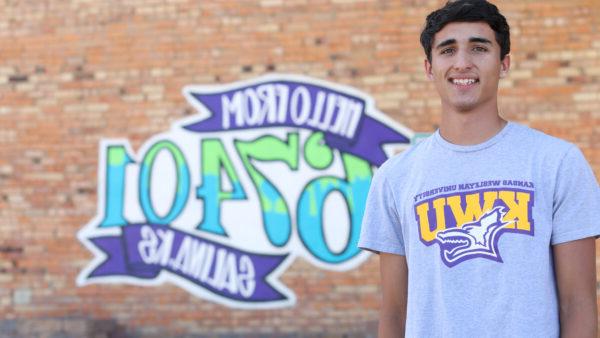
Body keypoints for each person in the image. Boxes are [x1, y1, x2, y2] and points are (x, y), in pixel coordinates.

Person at [358, 0, 600, 337]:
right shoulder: (395, 177)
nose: (462, 63)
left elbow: (578, 303)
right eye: (447, 50)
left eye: (478, 48)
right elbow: (395, 312)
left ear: (504, 64)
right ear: (429, 68)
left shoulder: (556, 162)